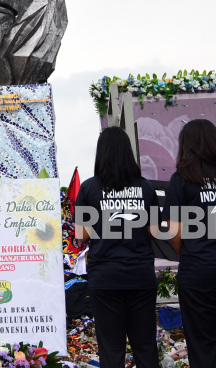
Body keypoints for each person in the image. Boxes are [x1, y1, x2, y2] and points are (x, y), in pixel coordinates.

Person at [162, 119, 216, 368]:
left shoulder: (181, 180)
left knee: (201, 347)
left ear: (186, 146)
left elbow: (172, 230)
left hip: (198, 273)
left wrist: (191, 254)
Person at [73, 126, 160, 368]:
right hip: (140, 275)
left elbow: (81, 236)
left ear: (101, 154)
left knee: (111, 351)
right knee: (145, 347)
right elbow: (155, 233)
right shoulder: (146, 188)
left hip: (105, 277)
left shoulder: (89, 188)